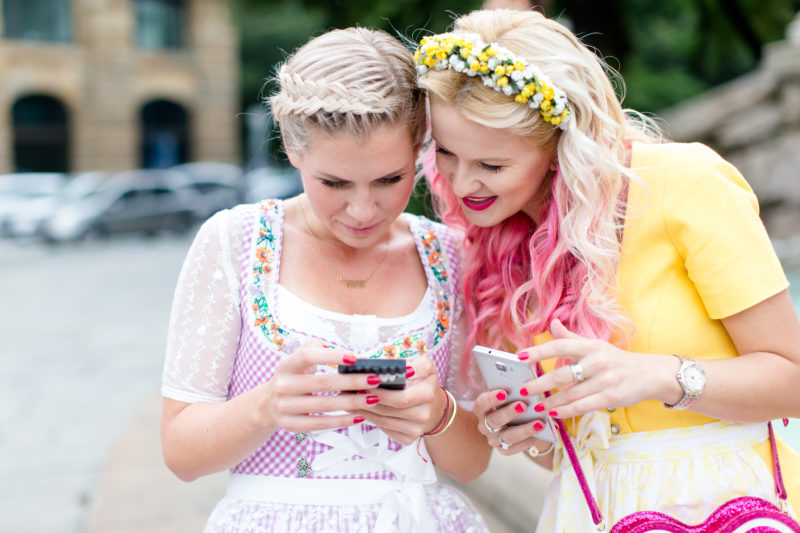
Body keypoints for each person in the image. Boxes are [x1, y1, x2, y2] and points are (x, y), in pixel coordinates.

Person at [415, 8, 800, 530]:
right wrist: (532, 434)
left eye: (492, 166)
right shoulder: (491, 248)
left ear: (559, 144)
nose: (461, 186)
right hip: (588, 512)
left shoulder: (683, 182)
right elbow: (570, 451)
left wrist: (658, 375)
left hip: (730, 502)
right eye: (447, 154)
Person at [160, 27, 491, 533]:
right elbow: (181, 453)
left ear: (420, 152)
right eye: (333, 183)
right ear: (293, 150)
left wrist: (438, 412)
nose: (362, 210)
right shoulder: (236, 242)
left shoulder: (447, 254)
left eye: (390, 180)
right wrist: (266, 406)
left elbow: (472, 464)